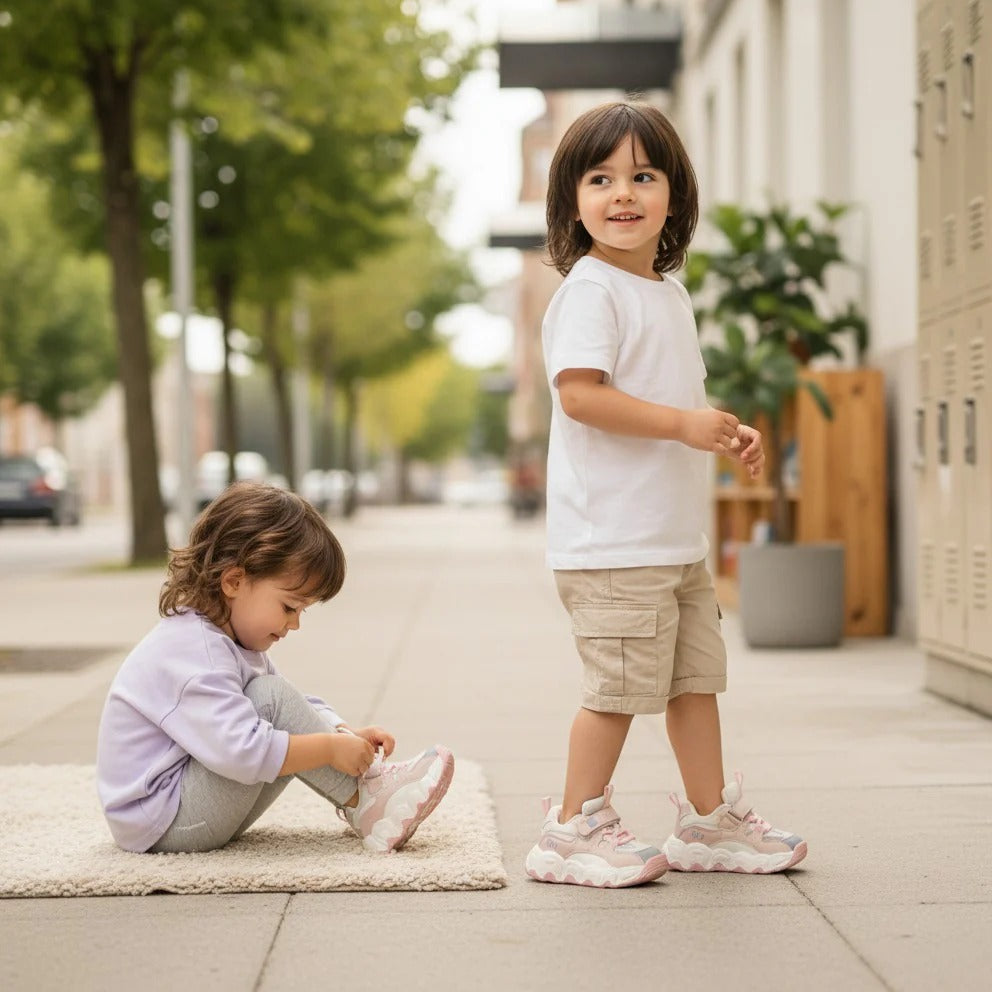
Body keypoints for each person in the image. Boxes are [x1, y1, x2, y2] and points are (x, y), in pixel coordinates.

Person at [525, 101, 807, 888]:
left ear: (674, 196)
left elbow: (679, 400)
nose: (623, 193)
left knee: (693, 684)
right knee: (617, 691)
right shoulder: (590, 291)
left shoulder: (666, 294)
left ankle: (708, 818)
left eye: (643, 176)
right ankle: (571, 827)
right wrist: (684, 425)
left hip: (671, 541)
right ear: (571, 202)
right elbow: (580, 396)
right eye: (601, 178)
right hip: (612, 543)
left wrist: (720, 430)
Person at [96, 481, 454, 855]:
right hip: (164, 820)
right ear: (234, 581)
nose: (295, 623)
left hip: (183, 808)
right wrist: (329, 749)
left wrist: (343, 733)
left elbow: (293, 707)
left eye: (302, 611)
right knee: (269, 701)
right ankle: (366, 802)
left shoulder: (227, 638)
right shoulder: (192, 651)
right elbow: (243, 750)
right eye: (289, 607)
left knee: (272, 699)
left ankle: (366, 797)